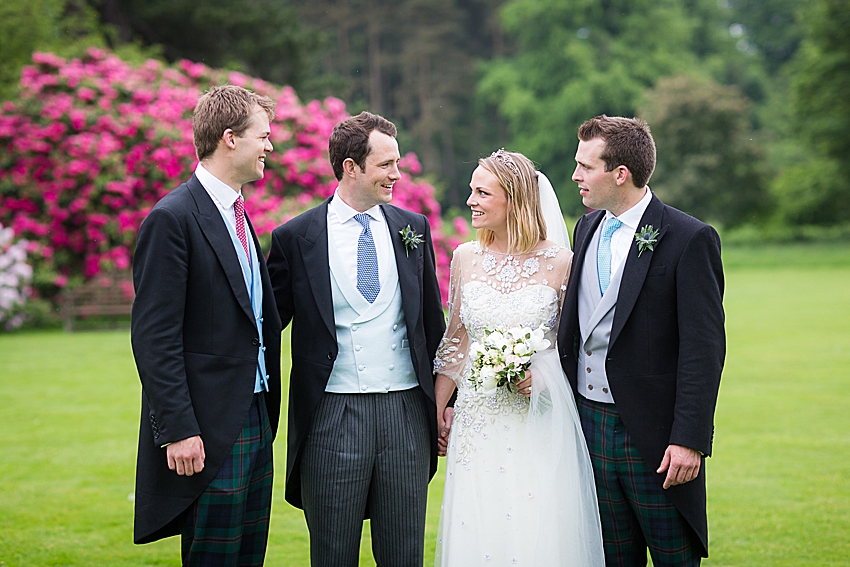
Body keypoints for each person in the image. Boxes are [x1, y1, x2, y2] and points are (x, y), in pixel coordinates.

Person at [266, 111, 446, 567]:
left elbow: (432, 324)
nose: (397, 174)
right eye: (386, 164)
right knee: (332, 553)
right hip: (331, 414)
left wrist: (448, 405)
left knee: (405, 554)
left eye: (397, 162)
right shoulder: (295, 237)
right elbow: (264, 327)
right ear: (351, 167)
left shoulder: (414, 229)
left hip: (406, 414)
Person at [558, 115, 725, 566]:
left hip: (654, 438)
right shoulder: (586, 228)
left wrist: (689, 439)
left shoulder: (689, 238)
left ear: (620, 173)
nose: (575, 176)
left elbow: (703, 350)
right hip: (589, 423)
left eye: (585, 166)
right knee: (611, 556)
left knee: (674, 557)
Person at [130, 85, 282, 565]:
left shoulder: (238, 213)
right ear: (231, 138)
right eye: (264, 136)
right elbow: (155, 338)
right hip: (209, 426)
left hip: (256, 414)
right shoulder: (172, 218)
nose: (270, 147)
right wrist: (178, 429)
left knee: (248, 556)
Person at [433, 149, 604, 566]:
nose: (470, 200)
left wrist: (542, 378)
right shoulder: (464, 258)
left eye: (481, 192)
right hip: (476, 422)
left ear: (514, 199)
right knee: (478, 525)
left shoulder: (562, 263)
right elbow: (456, 342)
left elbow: (572, 349)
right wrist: (438, 410)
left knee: (535, 524)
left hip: (537, 421)